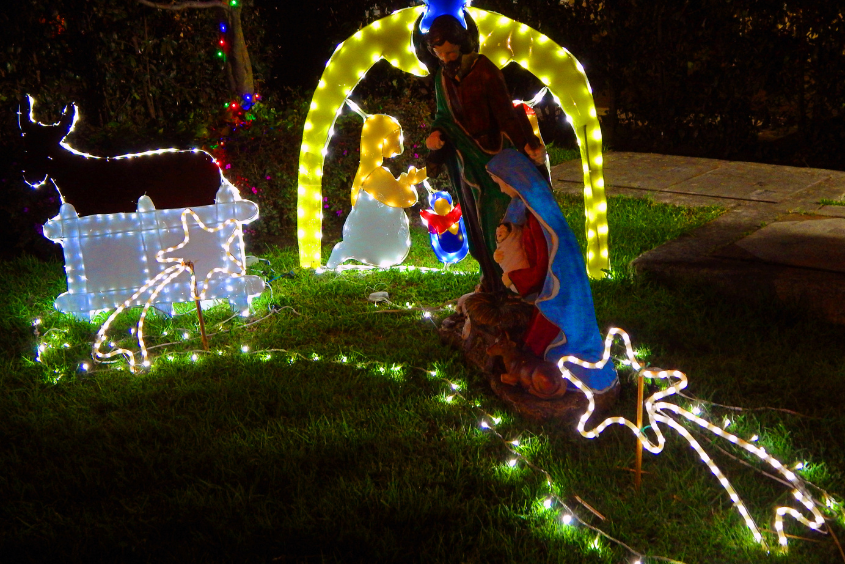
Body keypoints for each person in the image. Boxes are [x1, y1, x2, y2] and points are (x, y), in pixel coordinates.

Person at [422, 14, 546, 291]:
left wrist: (526, 144)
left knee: (498, 216)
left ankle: (512, 277)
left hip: (494, 155)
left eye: (451, 52)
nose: (446, 58)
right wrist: (436, 133)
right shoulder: (442, 77)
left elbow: (505, 113)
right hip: (464, 159)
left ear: (462, 45)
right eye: (440, 54)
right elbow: (443, 115)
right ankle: (489, 276)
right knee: (474, 217)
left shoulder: (484, 69)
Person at [486, 148, 618, 394]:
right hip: (550, 289)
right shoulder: (532, 212)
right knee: (535, 337)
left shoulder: (538, 222)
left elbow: (541, 267)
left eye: (500, 183)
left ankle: (547, 374)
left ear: (513, 181)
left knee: (545, 337)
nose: (501, 189)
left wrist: (514, 277)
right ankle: (531, 368)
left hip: (557, 292)